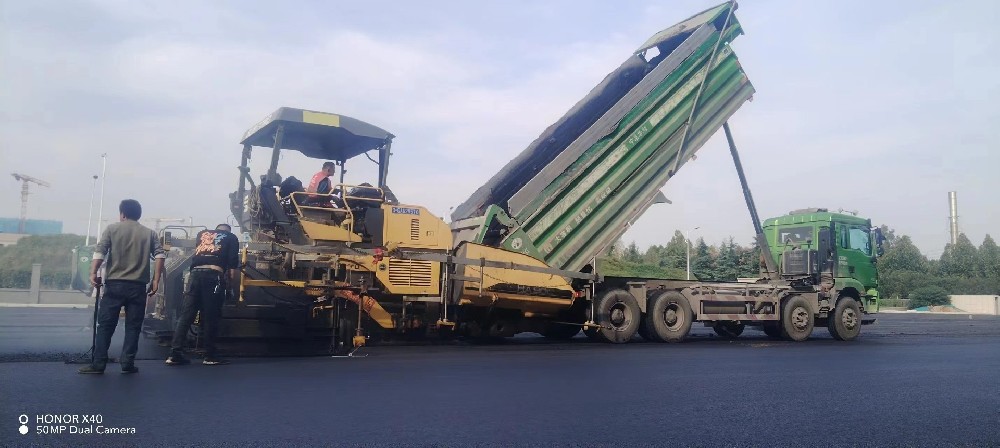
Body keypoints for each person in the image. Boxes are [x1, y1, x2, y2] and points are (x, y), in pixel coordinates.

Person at [78, 199, 165, 374]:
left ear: (122, 214)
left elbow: (100, 252)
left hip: (115, 285)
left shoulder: (112, 229)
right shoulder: (149, 233)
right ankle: (127, 363)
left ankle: (98, 364)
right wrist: (156, 280)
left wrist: (93, 273)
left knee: (105, 325)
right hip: (138, 287)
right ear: (138, 214)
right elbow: (160, 256)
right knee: (133, 327)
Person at [165, 223, 240, 366]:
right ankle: (210, 355)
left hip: (194, 275)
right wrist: (230, 287)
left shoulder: (201, 234)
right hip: (213, 276)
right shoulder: (231, 237)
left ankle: (174, 354)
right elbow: (232, 266)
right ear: (228, 231)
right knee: (211, 316)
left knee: (186, 315)